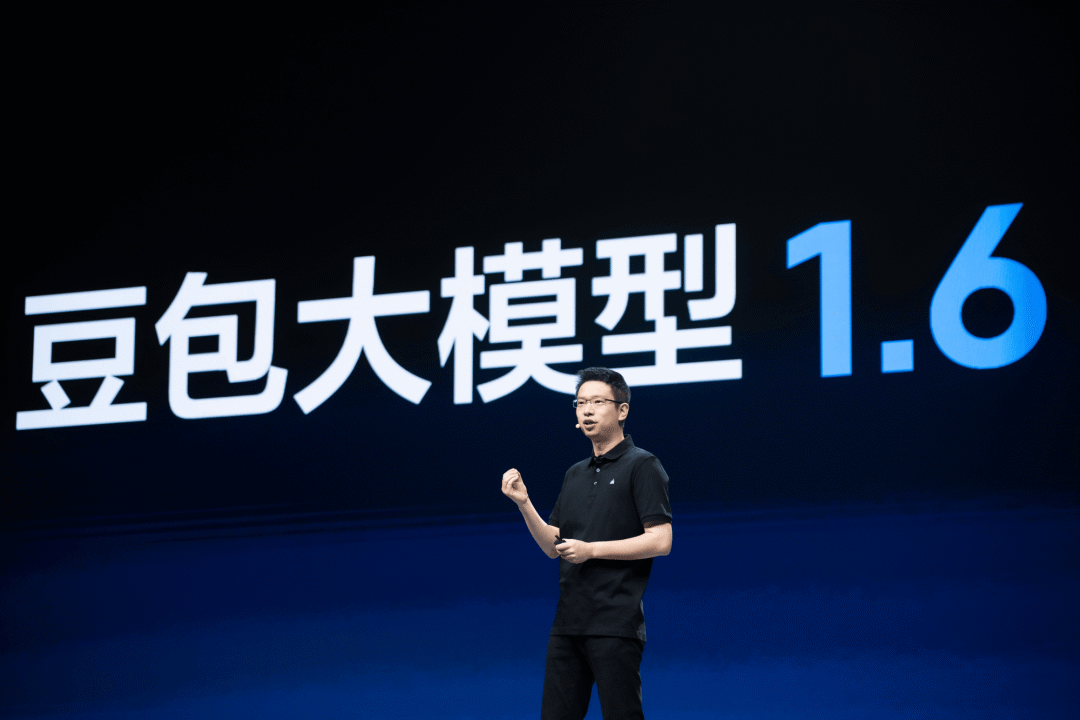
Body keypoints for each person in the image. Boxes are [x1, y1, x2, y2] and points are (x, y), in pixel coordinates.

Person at [501, 367, 672, 720]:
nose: (587, 411)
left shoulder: (643, 465)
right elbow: (553, 546)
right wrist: (524, 503)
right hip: (567, 625)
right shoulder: (575, 473)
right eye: (580, 403)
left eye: (597, 402)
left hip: (615, 623)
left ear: (622, 410)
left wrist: (592, 549)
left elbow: (661, 540)